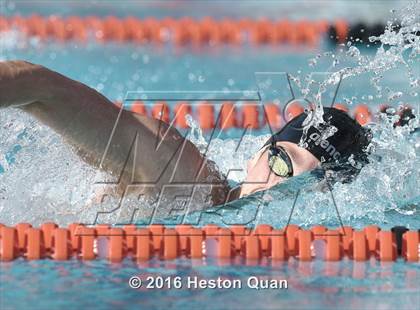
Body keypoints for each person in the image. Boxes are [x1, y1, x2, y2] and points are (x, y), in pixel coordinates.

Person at [0, 61, 372, 208]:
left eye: (302, 187)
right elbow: (42, 87)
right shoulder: (184, 177)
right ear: (260, 151)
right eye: (282, 162)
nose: (274, 189)